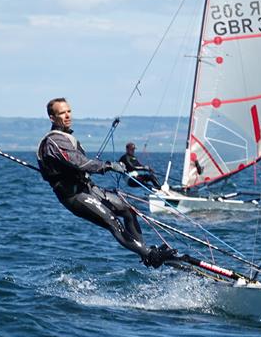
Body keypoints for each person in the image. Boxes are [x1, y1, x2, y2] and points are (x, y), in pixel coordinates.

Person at [36, 97, 175, 268]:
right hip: (74, 195)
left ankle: (146, 254)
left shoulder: (65, 137)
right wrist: (109, 166)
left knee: (128, 211)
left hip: (87, 188)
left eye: (68, 111)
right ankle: (150, 254)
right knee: (112, 221)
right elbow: (81, 163)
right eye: (62, 113)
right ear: (52, 117)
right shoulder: (54, 141)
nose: (67, 116)